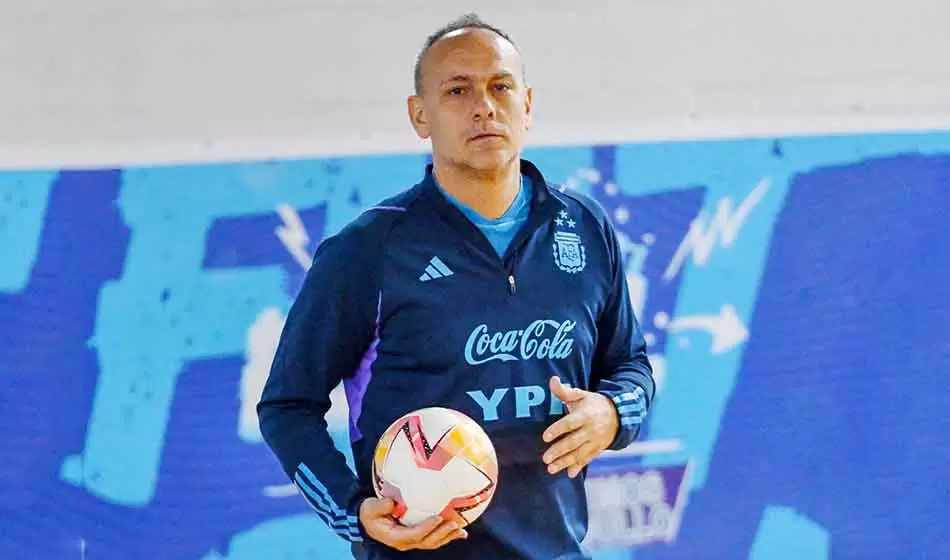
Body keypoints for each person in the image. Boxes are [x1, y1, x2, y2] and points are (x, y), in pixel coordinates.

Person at [257, 13, 655, 560]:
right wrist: (354, 513)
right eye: (457, 90)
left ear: (528, 104)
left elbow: (629, 366)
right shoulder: (369, 249)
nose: (484, 106)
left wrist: (613, 414)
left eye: (500, 87)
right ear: (420, 116)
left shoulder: (584, 228)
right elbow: (286, 406)